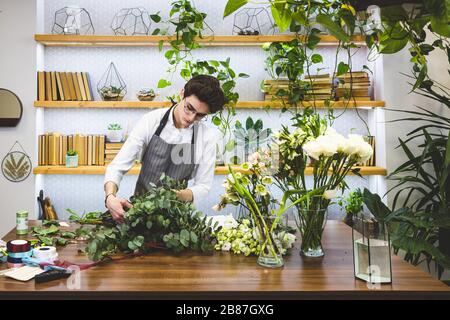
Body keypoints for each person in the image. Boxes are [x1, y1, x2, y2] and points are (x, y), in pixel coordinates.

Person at [104, 75, 225, 223]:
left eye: (200, 115)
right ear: (182, 94)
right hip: (141, 214)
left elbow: (204, 186)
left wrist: (176, 196)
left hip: (178, 220)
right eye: (189, 108)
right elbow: (118, 166)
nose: (191, 118)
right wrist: (110, 197)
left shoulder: (206, 137)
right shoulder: (151, 121)